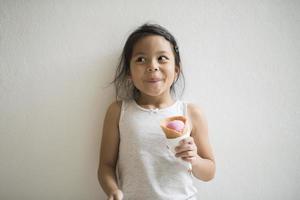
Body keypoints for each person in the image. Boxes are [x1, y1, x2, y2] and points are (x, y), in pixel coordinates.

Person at [98, 23, 215, 200]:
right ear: (129, 72)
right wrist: (113, 190)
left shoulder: (191, 113)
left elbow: (210, 171)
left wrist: (194, 159)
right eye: (141, 59)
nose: (152, 66)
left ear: (176, 70)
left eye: (162, 58)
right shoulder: (118, 112)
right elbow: (106, 166)